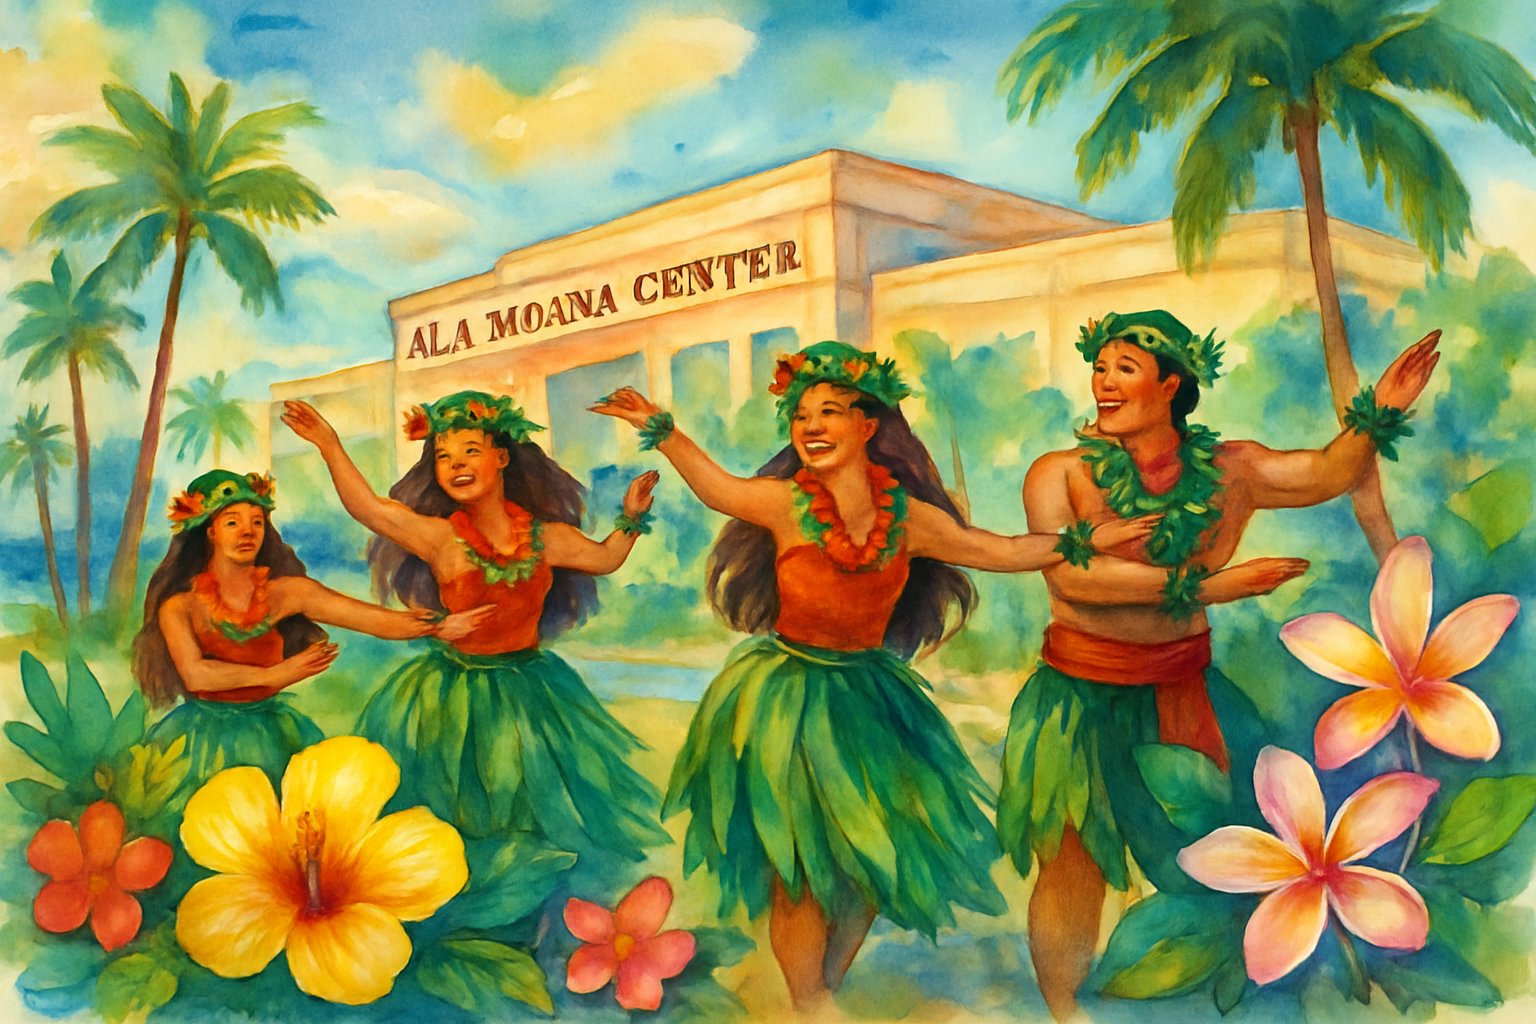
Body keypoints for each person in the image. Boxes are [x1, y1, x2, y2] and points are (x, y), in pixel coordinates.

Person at [591, 340, 1159, 1011]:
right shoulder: (783, 504)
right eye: (800, 416)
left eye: (828, 412)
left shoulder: (909, 519)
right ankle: (809, 1001)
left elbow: (998, 549)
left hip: (871, 703)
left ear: (867, 426)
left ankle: (820, 991)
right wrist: (661, 429)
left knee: (871, 864)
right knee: (801, 868)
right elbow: (717, 486)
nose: (810, 427)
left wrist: (1084, 540)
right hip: (787, 700)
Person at [1005, 310, 1441, 1018]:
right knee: (1073, 860)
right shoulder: (1059, 475)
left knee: (1231, 845)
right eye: (1100, 368)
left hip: (1187, 689)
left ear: (1171, 385)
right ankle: (1062, 1013)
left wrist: (1383, 406)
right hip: (1080, 699)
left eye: (1124, 369)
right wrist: (1211, 587)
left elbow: (1328, 472)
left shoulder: (1232, 471)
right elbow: (1076, 579)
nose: (1103, 382)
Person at [281, 391, 669, 872]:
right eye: (443, 456)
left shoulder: (545, 538)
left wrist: (633, 514)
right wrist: (329, 444)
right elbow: (370, 509)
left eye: (470, 451)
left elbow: (605, 558)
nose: (456, 465)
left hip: (531, 693)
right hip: (451, 695)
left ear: (501, 457)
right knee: (454, 811)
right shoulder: (441, 538)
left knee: (532, 809)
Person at [131, 469, 488, 788]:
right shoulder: (180, 607)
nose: (247, 532)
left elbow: (371, 619)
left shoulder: (287, 593)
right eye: (232, 523)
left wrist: (439, 625)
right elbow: (196, 674)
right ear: (210, 532)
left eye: (257, 522)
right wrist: (276, 675)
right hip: (202, 739)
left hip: (271, 733)